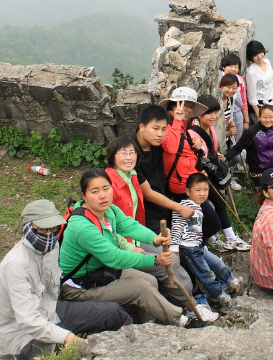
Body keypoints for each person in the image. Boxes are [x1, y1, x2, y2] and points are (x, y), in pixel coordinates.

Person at [0, 200, 131, 360]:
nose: (49, 235)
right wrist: (66, 337)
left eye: (54, 229)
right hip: (22, 335)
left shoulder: (52, 247)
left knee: (114, 312)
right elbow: (28, 320)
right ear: (28, 228)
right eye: (43, 229)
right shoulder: (16, 265)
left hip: (51, 311)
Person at [105, 134, 218, 322]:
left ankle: (189, 306)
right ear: (112, 156)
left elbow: (130, 221)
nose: (128, 157)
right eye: (122, 153)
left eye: (132, 153)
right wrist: (129, 246)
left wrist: (152, 238)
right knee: (165, 265)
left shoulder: (131, 176)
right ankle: (190, 308)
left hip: (133, 237)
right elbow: (109, 225)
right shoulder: (109, 183)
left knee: (170, 261)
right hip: (118, 245)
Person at [59, 169, 188, 327]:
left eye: (106, 188)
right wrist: (154, 260)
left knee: (150, 280)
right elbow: (114, 257)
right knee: (141, 288)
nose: (102, 195)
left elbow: (129, 226)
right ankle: (179, 320)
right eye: (95, 191)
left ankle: (147, 325)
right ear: (83, 196)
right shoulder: (82, 227)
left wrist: (155, 239)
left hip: (100, 272)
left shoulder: (109, 210)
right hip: (79, 286)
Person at [171, 173, 245, 310]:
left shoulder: (198, 206)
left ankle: (231, 281)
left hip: (199, 245)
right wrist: (174, 247)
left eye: (205, 190)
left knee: (217, 262)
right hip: (189, 250)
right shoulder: (184, 208)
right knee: (206, 274)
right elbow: (176, 228)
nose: (202, 194)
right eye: (198, 190)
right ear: (188, 191)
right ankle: (221, 296)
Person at [188, 94, 251, 251]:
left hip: (210, 171)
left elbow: (211, 149)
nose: (214, 116)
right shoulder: (192, 134)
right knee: (218, 203)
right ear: (199, 113)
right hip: (200, 176)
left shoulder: (209, 128)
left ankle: (218, 238)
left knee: (217, 204)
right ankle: (228, 238)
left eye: (216, 112)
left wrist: (217, 155)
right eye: (210, 113)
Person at [159, 86, 209, 198]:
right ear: (173, 105)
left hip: (189, 179)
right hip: (181, 184)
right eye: (184, 104)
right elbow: (172, 148)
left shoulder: (181, 124)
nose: (188, 109)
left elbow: (184, 152)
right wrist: (177, 120)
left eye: (191, 106)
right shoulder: (167, 123)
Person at [224, 105, 273, 179]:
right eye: (265, 117)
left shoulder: (272, 130)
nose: (268, 120)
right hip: (258, 171)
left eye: (271, 117)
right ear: (259, 117)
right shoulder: (251, 132)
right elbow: (238, 148)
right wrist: (225, 157)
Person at [218, 72, 247, 179]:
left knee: (237, 157)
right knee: (228, 159)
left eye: (234, 88)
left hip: (227, 137)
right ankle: (227, 181)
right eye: (228, 87)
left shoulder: (230, 99)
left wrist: (229, 122)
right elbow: (213, 128)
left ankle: (230, 177)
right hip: (220, 140)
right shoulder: (218, 102)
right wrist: (228, 132)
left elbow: (227, 116)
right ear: (221, 86)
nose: (231, 90)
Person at [244, 40, 273, 121]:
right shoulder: (251, 71)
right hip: (261, 107)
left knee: (272, 132)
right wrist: (258, 115)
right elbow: (251, 97)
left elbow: (270, 85)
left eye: (260, 52)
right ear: (251, 57)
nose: (259, 56)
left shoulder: (267, 62)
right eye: (255, 55)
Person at [219, 53, 250, 139]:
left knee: (237, 139)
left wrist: (246, 121)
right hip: (224, 115)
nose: (233, 69)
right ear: (223, 67)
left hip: (237, 113)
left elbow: (244, 100)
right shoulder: (219, 79)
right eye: (230, 66)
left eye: (236, 67)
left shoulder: (239, 80)